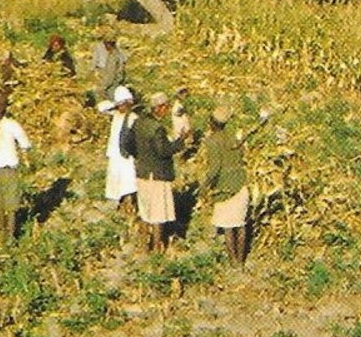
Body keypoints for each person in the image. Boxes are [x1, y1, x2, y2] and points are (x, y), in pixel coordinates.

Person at [199, 103, 270, 264]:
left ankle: (234, 262)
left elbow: (215, 168)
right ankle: (241, 260)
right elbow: (249, 133)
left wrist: (205, 186)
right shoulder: (234, 137)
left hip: (225, 188)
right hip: (241, 184)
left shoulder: (212, 141)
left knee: (228, 227)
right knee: (241, 224)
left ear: (212, 122)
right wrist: (262, 121)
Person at [128, 91, 189, 253]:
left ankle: (143, 245)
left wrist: (140, 157)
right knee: (158, 214)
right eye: (166, 107)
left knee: (145, 210)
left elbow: (128, 144)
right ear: (159, 108)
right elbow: (163, 151)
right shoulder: (157, 129)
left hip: (142, 172)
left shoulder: (139, 122)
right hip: (157, 174)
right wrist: (180, 142)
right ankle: (157, 246)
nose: (167, 110)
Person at [0, 93, 32, 243]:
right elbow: (26, 143)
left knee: (0, 204)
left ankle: (1, 235)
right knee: (11, 206)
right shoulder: (11, 124)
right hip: (9, 168)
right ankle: (9, 238)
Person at [98, 85, 139, 220]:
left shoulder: (133, 118)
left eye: (123, 104)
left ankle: (130, 207)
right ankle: (116, 205)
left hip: (126, 157)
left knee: (129, 183)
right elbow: (101, 108)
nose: (121, 107)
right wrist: (115, 105)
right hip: (115, 155)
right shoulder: (116, 115)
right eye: (119, 105)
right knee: (114, 181)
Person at [93, 35, 129, 102]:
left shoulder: (113, 57)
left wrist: (104, 87)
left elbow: (111, 73)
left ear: (108, 44)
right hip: (119, 83)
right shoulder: (120, 54)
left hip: (113, 86)